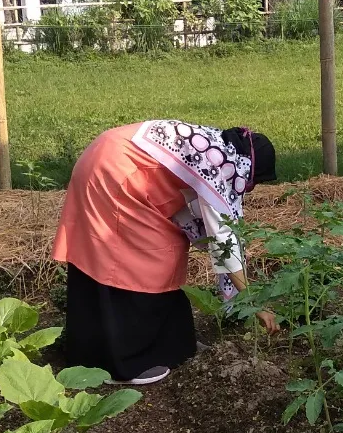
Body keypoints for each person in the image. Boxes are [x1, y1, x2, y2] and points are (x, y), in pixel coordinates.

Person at [52, 120, 278, 385]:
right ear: (245, 169)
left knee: (167, 249)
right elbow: (223, 240)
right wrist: (254, 303)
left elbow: (180, 199)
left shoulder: (212, 148)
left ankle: (173, 345)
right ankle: (121, 363)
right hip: (114, 173)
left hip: (110, 158)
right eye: (252, 182)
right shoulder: (215, 169)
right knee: (140, 259)